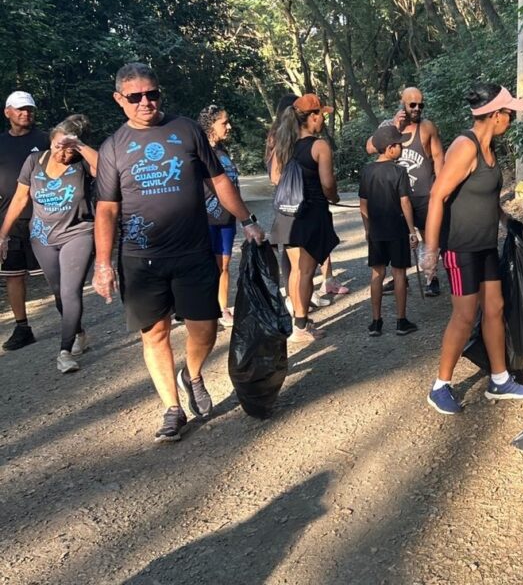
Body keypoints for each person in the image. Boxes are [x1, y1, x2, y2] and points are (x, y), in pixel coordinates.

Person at [92, 62, 266, 443]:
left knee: (204, 330)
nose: (145, 102)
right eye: (135, 97)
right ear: (120, 100)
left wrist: (247, 220)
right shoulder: (113, 148)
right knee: (154, 333)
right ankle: (173, 408)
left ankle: (194, 373)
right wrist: (103, 263)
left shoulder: (186, 130)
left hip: (192, 252)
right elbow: (106, 209)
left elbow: (218, 181)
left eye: (152, 93)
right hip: (140, 258)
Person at [420, 83, 523, 414]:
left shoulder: (489, 148)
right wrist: (430, 251)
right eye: (509, 113)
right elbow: (437, 196)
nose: (512, 119)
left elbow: (483, 196)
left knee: (495, 307)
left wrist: (506, 221)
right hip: (461, 247)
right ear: (495, 115)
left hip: (485, 243)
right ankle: (440, 385)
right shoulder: (465, 146)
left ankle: (499, 379)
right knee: (464, 314)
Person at [0, 114, 97, 371]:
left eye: (68, 149)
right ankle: (78, 331)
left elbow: (104, 168)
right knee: (58, 293)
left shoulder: (82, 164)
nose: (61, 153)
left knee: (69, 290)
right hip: (42, 236)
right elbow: (20, 199)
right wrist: (2, 234)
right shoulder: (34, 161)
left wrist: (80, 146)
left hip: (78, 233)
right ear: (50, 140)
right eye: (57, 146)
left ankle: (64, 352)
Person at [269, 94, 340, 343]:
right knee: (307, 271)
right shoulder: (319, 146)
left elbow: (275, 179)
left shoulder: (282, 145)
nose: (323, 120)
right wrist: (334, 196)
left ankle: (299, 321)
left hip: (287, 213)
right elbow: (328, 183)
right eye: (321, 115)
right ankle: (301, 325)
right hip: (310, 213)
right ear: (312, 117)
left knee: (295, 271)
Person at [367, 86, 445, 297]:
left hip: (423, 194)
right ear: (403, 103)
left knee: (428, 236)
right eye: (413, 105)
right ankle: (401, 278)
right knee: (398, 239)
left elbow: (438, 157)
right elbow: (370, 148)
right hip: (395, 198)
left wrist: (441, 188)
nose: (417, 108)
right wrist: (394, 126)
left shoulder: (427, 127)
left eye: (421, 105)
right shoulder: (388, 126)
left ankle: (431, 278)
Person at [359, 124, 419, 337]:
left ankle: (376, 322)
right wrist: (412, 230)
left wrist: (367, 229)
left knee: (377, 273)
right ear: (391, 147)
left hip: (376, 230)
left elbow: (363, 204)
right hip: (397, 230)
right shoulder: (399, 171)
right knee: (399, 274)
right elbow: (405, 202)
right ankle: (401, 321)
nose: (401, 148)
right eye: (400, 145)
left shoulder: (367, 171)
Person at [0, 90, 48, 350]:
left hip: (46, 216)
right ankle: (22, 328)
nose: (25, 113)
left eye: (29, 108)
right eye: (19, 109)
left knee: (55, 274)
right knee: (13, 275)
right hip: (10, 218)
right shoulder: (1, 143)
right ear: (8, 112)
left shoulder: (46, 140)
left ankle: (72, 324)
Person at [197, 104, 240, 327]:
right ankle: (203, 310)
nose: (229, 126)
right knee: (206, 267)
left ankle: (222, 308)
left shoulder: (223, 152)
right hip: (205, 220)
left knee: (224, 265)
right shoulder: (198, 152)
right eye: (224, 122)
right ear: (210, 125)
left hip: (227, 219)